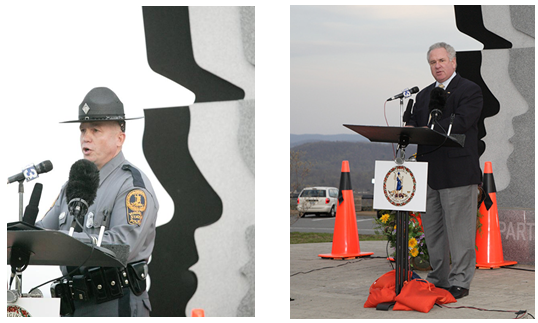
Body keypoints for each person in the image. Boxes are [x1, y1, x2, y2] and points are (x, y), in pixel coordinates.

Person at [36, 87, 159, 316]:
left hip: (116, 305)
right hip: (74, 307)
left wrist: (67, 242)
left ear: (119, 139)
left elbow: (123, 248)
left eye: (95, 130)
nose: (86, 137)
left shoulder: (132, 186)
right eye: (83, 130)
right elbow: (43, 234)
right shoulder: (72, 186)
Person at [407, 42, 483, 299]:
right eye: (432, 62)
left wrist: (431, 127)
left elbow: (461, 122)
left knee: (460, 232)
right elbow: (415, 125)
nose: (437, 66)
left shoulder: (469, 90)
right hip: (428, 172)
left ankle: (461, 280)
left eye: (441, 61)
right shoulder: (423, 95)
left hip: (458, 172)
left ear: (453, 62)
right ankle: (439, 278)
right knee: (434, 231)